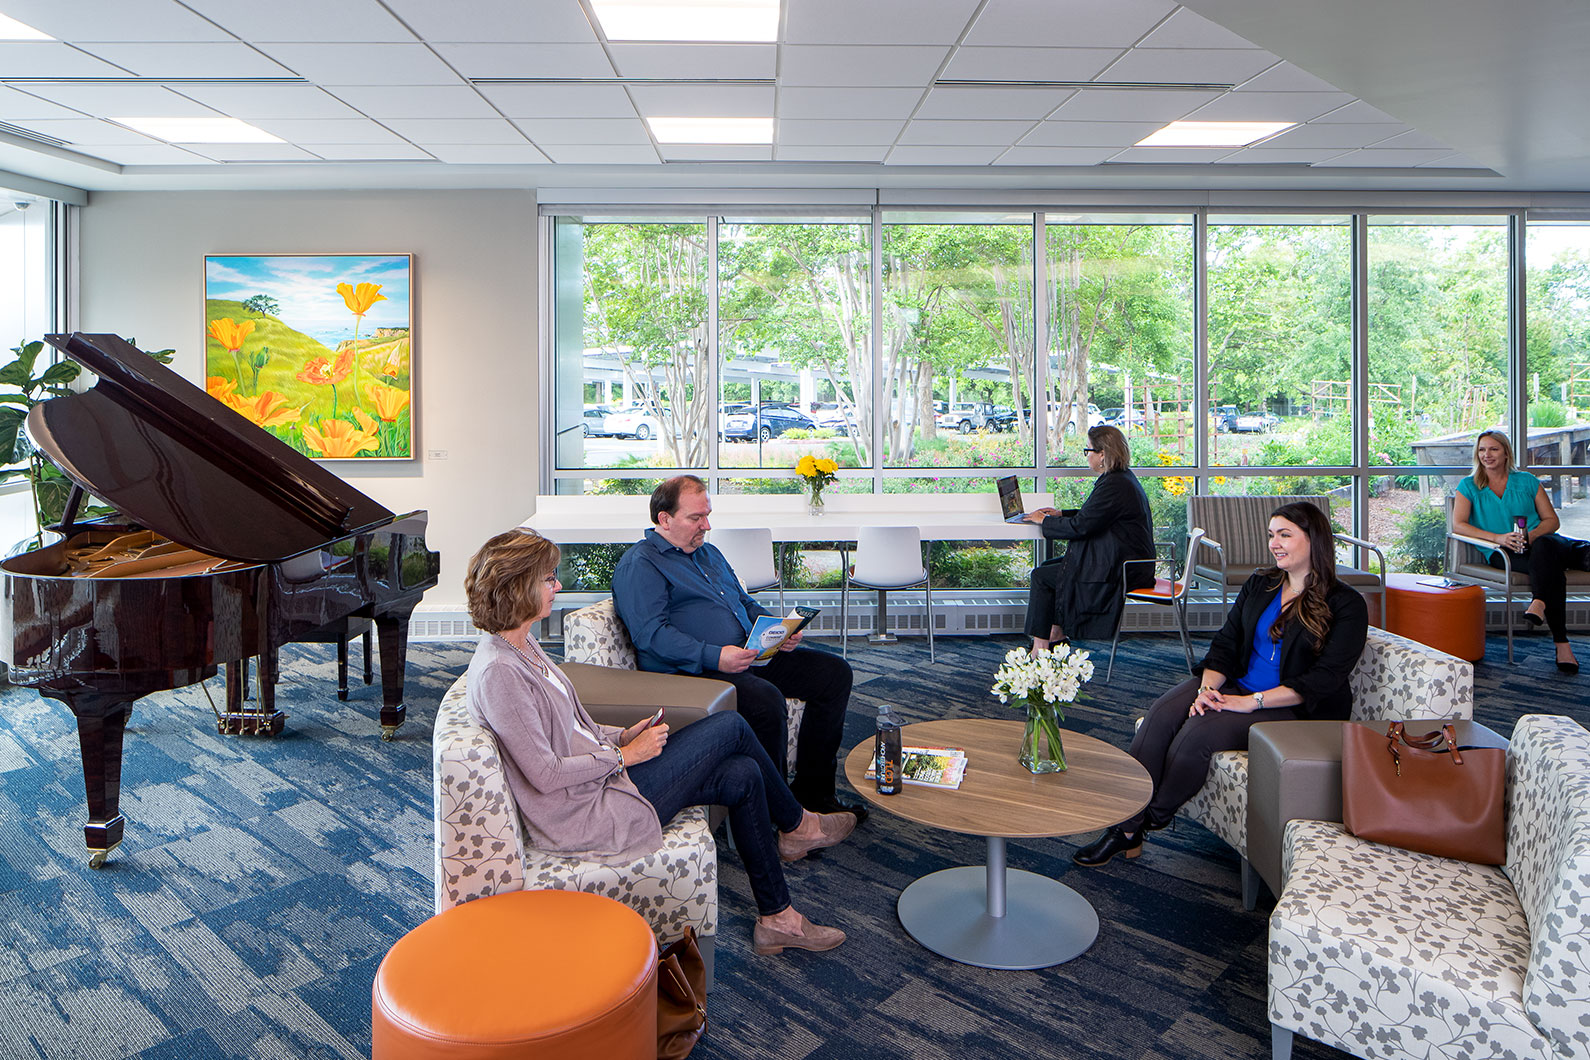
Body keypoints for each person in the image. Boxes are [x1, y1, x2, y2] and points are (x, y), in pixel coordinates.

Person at [464, 528, 854, 955]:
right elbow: (544, 772)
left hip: (599, 781)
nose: (557, 586)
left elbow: (571, 729)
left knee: (741, 774)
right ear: (519, 587)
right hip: (584, 809)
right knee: (731, 727)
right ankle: (800, 825)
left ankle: (779, 919)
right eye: (548, 579)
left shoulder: (523, 646)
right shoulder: (499, 671)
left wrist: (622, 734)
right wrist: (623, 755)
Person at [1073, 501, 1369, 867]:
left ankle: (1146, 823)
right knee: (1160, 717)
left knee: (1195, 737)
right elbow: (1226, 643)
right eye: (1271, 535)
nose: (1274, 543)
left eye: (1285, 535)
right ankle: (1126, 827)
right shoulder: (1261, 584)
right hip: (1238, 685)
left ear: (1314, 541)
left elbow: (1324, 680)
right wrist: (1206, 690)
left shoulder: (1347, 605)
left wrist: (1250, 702)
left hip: (1294, 707)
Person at [612, 475, 864, 822]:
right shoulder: (640, 565)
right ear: (664, 519)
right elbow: (651, 635)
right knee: (764, 701)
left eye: (708, 515)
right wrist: (715, 655)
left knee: (834, 674)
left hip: (743, 655)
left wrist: (777, 629)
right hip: (692, 671)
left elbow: (743, 603)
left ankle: (813, 794)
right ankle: (780, 819)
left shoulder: (708, 553)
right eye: (695, 518)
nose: (707, 525)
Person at [1453, 429, 1590, 673]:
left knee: (1546, 547)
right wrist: (1499, 538)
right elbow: (1459, 525)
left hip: (1543, 542)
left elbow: (1551, 521)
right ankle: (1561, 643)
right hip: (1502, 553)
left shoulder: (1526, 481)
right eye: (1482, 450)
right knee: (1551, 565)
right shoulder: (1469, 486)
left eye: (1494, 449)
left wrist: (1530, 536)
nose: (1487, 455)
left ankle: (1540, 604)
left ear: (1506, 453)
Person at [1023, 424, 1155, 650]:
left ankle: (1040, 649)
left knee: (1041, 576)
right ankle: (1056, 635)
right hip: (1125, 559)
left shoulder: (1115, 484)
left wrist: (1044, 521)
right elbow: (1095, 516)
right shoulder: (1120, 479)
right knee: (1050, 567)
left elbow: (1081, 527)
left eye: (1088, 451)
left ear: (1102, 454)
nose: (1086, 457)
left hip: (1124, 567)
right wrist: (1061, 514)